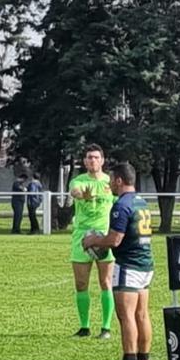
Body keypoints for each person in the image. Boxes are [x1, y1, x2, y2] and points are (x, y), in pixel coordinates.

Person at [81, 162, 154, 360]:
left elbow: (115, 239)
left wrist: (93, 240)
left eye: (112, 179)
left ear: (119, 180)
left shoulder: (121, 205)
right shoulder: (142, 201)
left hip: (129, 266)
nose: (110, 183)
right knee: (142, 314)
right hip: (146, 263)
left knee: (127, 316)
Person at [67, 144, 116, 339]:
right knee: (81, 283)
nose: (92, 160)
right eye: (89, 157)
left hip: (104, 235)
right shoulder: (78, 181)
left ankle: (106, 328)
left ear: (102, 160)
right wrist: (82, 195)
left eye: (96, 157)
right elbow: (75, 192)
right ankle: (84, 327)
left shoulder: (109, 182)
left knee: (105, 281)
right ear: (85, 161)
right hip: (82, 236)